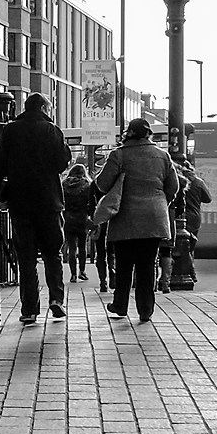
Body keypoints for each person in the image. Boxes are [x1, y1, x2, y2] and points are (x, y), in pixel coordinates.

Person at [0, 92, 74, 324]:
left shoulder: (11, 130)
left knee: (25, 258)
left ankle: (29, 309)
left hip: (21, 202)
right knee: (52, 253)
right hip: (49, 201)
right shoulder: (52, 130)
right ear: (44, 108)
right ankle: (56, 299)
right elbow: (62, 162)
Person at [92, 117, 179, 322]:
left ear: (128, 134)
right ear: (149, 134)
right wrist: (159, 202)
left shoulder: (118, 155)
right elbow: (173, 187)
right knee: (147, 265)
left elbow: (103, 185)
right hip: (154, 217)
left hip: (125, 217)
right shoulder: (162, 156)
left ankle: (120, 305)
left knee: (124, 264)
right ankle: (145, 309)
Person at [61, 161, 96, 282]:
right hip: (82, 218)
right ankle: (82, 271)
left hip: (68, 219)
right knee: (82, 247)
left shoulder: (64, 184)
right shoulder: (87, 184)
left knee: (72, 247)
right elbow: (91, 202)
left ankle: (73, 275)